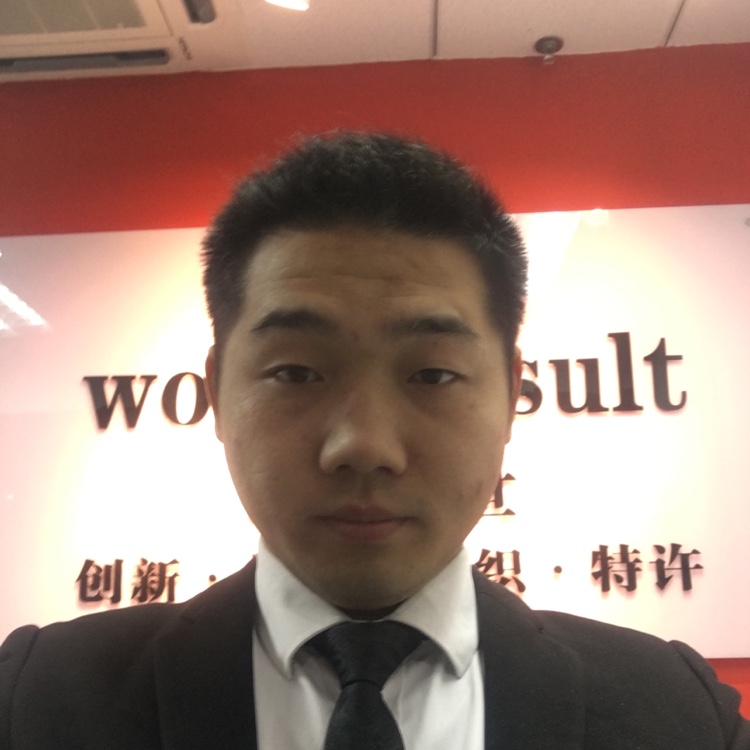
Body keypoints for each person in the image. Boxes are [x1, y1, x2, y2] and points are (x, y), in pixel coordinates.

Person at [0, 132, 747, 750]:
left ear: (511, 395)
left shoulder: (675, 712)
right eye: (296, 372)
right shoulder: (39, 699)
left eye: (432, 374)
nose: (363, 446)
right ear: (218, 393)